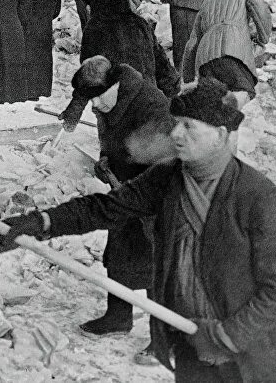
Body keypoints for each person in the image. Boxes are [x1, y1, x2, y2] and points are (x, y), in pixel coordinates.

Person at [0, 79, 276, 382]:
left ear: (221, 135)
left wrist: (226, 336)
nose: (177, 133)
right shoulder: (169, 178)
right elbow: (105, 208)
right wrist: (40, 222)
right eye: (177, 123)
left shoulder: (255, 195)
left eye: (189, 126)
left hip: (251, 352)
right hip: (191, 341)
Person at [57, 57, 172, 345]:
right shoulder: (110, 99)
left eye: (96, 99)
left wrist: (143, 191)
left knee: (155, 262)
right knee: (119, 256)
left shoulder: (150, 104)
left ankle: (164, 335)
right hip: (124, 193)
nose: (93, 106)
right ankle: (118, 316)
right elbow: (112, 140)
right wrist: (106, 160)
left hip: (151, 195)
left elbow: (166, 157)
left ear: (112, 87)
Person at [181, 0, 272, 107]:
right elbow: (260, 12)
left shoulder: (208, 0)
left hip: (204, 58)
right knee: (242, 93)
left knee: (213, 102)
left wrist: (187, 77)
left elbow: (192, 43)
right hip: (233, 51)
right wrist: (263, 37)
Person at [80, 0, 180, 98]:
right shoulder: (139, 22)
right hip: (146, 95)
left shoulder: (95, 27)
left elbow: (89, 70)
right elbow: (159, 59)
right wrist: (172, 87)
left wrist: (76, 108)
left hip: (115, 99)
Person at [19, 0, 62, 100]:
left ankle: (31, 91)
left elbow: (24, 8)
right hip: (45, 25)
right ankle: (44, 89)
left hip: (30, 27)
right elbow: (57, 10)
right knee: (45, 58)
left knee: (30, 58)